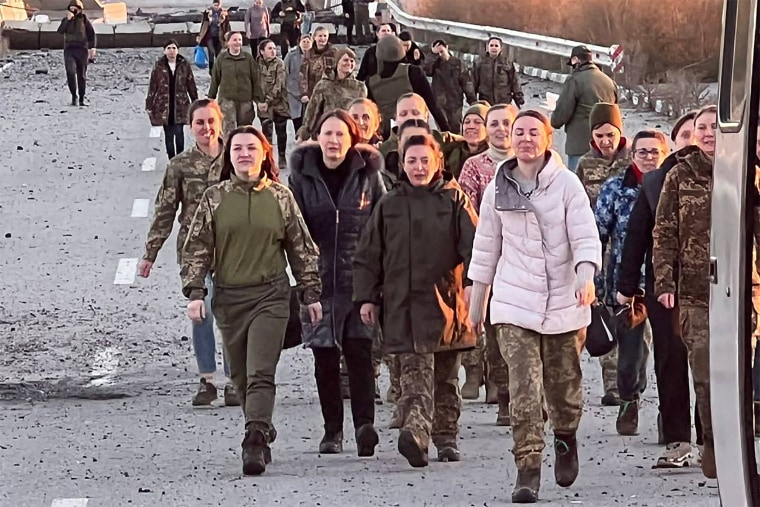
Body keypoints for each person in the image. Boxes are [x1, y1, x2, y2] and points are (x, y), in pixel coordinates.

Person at [468, 110, 601, 503]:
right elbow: (486, 244)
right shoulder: (498, 187)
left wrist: (586, 274)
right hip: (514, 302)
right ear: (510, 138)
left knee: (563, 388)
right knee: (523, 386)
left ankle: (565, 436)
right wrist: (478, 299)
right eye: (518, 132)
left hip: (565, 299)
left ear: (547, 139)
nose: (525, 138)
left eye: (533, 132)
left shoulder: (566, 185)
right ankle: (527, 468)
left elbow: (584, 235)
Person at [182, 126, 322, 476]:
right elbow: (197, 248)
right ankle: (259, 424)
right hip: (229, 300)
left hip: (270, 297)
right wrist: (196, 292)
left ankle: (254, 438)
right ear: (229, 157)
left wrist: (310, 291)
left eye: (251, 148)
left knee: (261, 370)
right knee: (242, 376)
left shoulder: (280, 197)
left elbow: (302, 248)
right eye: (238, 148)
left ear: (264, 154)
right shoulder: (215, 198)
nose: (244, 154)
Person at [353, 133, 479, 467]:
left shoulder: (455, 200)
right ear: (402, 164)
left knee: (445, 379)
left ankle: (446, 436)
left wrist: (472, 286)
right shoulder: (390, 204)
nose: (419, 167)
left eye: (425, 160)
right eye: (412, 161)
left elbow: (475, 249)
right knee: (413, 377)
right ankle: (415, 435)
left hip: (447, 304)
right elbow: (368, 255)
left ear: (438, 162)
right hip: (403, 306)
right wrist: (366, 297)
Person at [288, 110, 386, 456]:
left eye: (340, 135)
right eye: (327, 134)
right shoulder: (301, 177)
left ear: (352, 139)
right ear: (317, 137)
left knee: (359, 353)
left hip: (358, 280)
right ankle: (333, 431)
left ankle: (364, 427)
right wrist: (305, 280)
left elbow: (380, 226)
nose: (333, 141)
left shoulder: (369, 175)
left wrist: (377, 279)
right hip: (317, 279)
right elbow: (294, 231)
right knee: (325, 358)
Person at [616, 110, 702, 468]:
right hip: (664, 285)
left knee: (710, 366)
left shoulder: (726, 175)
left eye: (694, 136)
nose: (690, 142)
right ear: (675, 140)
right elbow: (637, 235)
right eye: (684, 135)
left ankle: (711, 435)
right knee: (670, 360)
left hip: (711, 285)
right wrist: (624, 284)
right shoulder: (656, 182)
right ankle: (677, 435)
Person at [139, 99, 238, 407]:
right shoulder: (180, 165)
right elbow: (165, 210)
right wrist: (150, 253)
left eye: (211, 121)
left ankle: (236, 381)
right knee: (201, 312)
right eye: (199, 123)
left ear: (220, 122)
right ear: (190, 126)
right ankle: (207, 379)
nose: (206, 128)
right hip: (195, 251)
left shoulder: (237, 157)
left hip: (235, 248)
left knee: (232, 316)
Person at [652, 104, 718, 479]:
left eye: (715, 127)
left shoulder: (747, 173)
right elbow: (663, 233)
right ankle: (712, 442)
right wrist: (664, 283)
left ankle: (735, 441)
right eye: (702, 128)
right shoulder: (679, 175)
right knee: (706, 373)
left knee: (740, 371)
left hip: (743, 289)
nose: (709, 134)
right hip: (694, 290)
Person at [594, 129, 669, 435]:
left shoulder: (673, 185)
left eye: (655, 152)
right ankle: (629, 401)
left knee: (669, 354)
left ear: (665, 154)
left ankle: (670, 415)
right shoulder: (616, 188)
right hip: (628, 285)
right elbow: (596, 233)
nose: (649, 158)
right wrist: (596, 282)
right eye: (643, 152)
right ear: (633, 155)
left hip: (667, 284)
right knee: (630, 356)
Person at [457, 103, 517, 424]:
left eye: (506, 123)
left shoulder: (531, 163)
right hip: (492, 257)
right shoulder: (474, 166)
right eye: (493, 124)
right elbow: (468, 214)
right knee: (493, 330)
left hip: (525, 259)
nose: (500, 129)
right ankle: (501, 391)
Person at [575, 102, 630, 406]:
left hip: (627, 251)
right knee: (603, 314)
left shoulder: (633, 159)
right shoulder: (585, 164)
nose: (605, 141)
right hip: (597, 249)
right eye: (599, 135)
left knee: (631, 319)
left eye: (610, 134)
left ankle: (629, 379)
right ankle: (612, 386)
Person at [550, 45, 618, 172]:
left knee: (578, 186)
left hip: (580, 145)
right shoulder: (609, 81)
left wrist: (554, 121)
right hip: (607, 145)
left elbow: (561, 114)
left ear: (575, 60)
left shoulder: (575, 81)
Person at [367, 35, 450, 139]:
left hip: (389, 137)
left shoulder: (371, 83)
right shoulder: (413, 73)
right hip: (417, 131)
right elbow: (433, 105)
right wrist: (447, 132)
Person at [297, 47, 366, 140]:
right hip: (327, 133)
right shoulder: (324, 85)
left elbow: (363, 114)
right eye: (345, 60)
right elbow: (312, 112)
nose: (349, 63)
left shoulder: (360, 87)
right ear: (337, 62)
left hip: (350, 135)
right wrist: (305, 134)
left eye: (352, 61)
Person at [146, 40, 199, 159]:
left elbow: (191, 84)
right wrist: (149, 104)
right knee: (169, 135)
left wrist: (195, 102)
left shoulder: (184, 64)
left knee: (179, 133)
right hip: (164, 105)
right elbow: (153, 86)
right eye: (169, 48)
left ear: (178, 50)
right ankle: (171, 158)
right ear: (164, 50)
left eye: (174, 48)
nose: (171, 51)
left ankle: (179, 158)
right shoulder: (159, 65)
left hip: (180, 105)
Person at [208, 32, 264, 136]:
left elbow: (255, 80)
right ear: (228, 43)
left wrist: (260, 99)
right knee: (228, 131)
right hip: (227, 101)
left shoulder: (248, 58)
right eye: (234, 40)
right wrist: (211, 97)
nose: (237, 42)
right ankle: (228, 151)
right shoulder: (221, 59)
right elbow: (215, 79)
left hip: (245, 101)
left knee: (245, 130)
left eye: (239, 40)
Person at [425, 39, 477, 135]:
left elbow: (466, 82)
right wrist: (432, 55)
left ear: (446, 48)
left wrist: (472, 100)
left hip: (455, 102)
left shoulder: (457, 63)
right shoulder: (435, 64)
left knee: (456, 129)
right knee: (442, 130)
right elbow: (426, 71)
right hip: (439, 102)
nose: (440, 55)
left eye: (441, 51)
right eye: (437, 53)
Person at [256, 39, 290, 167]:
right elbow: (254, 83)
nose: (273, 51)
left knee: (281, 131)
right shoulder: (256, 65)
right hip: (263, 104)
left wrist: (268, 100)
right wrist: (259, 101)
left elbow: (279, 84)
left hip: (278, 103)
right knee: (266, 133)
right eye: (270, 48)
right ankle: (268, 159)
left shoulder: (279, 64)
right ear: (262, 51)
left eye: (274, 48)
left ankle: (282, 156)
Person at [57, 0, 96, 107]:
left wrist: (92, 48)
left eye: (76, 8)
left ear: (80, 9)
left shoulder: (84, 20)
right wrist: (68, 20)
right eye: (71, 8)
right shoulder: (66, 20)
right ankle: (74, 95)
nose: (74, 10)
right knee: (70, 71)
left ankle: (82, 98)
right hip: (69, 49)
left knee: (81, 75)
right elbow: (60, 30)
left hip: (82, 49)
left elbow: (91, 34)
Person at [474, 37, 523, 109]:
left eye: (496, 46)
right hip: (486, 101)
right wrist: (472, 99)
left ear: (501, 48)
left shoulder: (507, 63)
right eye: (491, 45)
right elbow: (473, 81)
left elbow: (515, 80)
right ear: (487, 47)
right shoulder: (480, 63)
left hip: (504, 101)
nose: (494, 48)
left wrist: (519, 97)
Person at [299, 26, 338, 101]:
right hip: (312, 92)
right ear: (314, 37)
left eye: (325, 36)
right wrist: (304, 94)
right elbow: (303, 75)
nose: (323, 38)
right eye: (320, 36)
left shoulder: (334, 52)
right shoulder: (308, 53)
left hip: (329, 92)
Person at [284, 34, 312, 135]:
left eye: (308, 42)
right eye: (303, 42)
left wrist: (308, 94)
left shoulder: (314, 57)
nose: (305, 44)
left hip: (310, 95)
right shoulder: (291, 56)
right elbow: (285, 74)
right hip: (294, 94)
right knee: (298, 123)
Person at [197, 0, 230, 74]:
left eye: (217, 5)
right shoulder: (208, 13)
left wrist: (227, 36)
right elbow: (203, 24)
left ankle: (218, 69)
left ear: (220, 5)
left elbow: (227, 26)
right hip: (209, 36)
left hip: (220, 36)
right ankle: (211, 70)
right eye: (214, 5)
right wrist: (200, 35)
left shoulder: (224, 14)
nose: (216, 7)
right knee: (211, 52)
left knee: (218, 53)